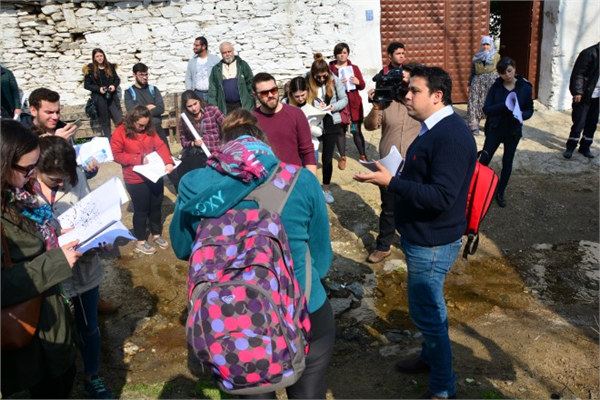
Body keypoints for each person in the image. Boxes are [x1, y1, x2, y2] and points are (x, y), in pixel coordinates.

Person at [170, 109, 334, 399]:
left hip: (234, 319)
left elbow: (183, 248)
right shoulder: (299, 179)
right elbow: (321, 260)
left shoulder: (193, 186)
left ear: (222, 144)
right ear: (263, 142)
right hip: (304, 310)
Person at [354, 66, 477, 400]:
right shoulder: (433, 127)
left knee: (429, 313)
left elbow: (441, 196)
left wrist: (391, 182)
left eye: (415, 91)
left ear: (437, 96)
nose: (406, 96)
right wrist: (395, 171)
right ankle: (428, 358)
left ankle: (441, 388)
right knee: (425, 308)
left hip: (433, 240)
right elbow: (427, 177)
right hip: (422, 236)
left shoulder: (450, 135)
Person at [1, 120, 81, 399]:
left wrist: (58, 235)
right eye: (27, 168)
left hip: (51, 311)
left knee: (63, 376)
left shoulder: (21, 194)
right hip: (28, 328)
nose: (33, 174)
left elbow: (36, 236)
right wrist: (56, 261)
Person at [34, 136, 112, 399]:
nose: (61, 182)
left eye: (65, 177)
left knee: (89, 326)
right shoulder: (25, 190)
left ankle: (92, 375)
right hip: (50, 275)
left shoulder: (75, 177)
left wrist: (102, 237)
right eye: (54, 179)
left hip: (84, 269)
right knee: (57, 331)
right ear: (37, 169)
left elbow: (90, 213)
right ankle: (58, 378)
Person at [363, 62, 422, 264]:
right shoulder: (386, 101)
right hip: (389, 167)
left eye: (406, 79)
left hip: (415, 167)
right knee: (389, 208)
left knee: (416, 206)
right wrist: (376, 105)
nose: (402, 83)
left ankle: (415, 245)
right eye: (400, 79)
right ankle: (384, 246)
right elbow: (370, 126)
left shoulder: (420, 103)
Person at [110, 105, 175, 255]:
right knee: (141, 209)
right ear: (132, 120)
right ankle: (141, 240)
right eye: (140, 125)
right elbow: (116, 154)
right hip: (135, 178)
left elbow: (159, 144)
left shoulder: (149, 130)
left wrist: (168, 161)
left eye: (145, 125)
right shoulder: (120, 132)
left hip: (154, 175)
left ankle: (156, 234)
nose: (142, 128)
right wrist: (137, 159)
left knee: (156, 205)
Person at [481, 57, 534, 208]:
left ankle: (500, 191)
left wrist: (522, 114)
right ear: (499, 74)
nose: (507, 75)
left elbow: (530, 109)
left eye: (509, 71)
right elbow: (486, 109)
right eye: (503, 73)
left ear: (514, 69)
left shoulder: (525, 87)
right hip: (495, 129)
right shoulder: (496, 87)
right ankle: (478, 188)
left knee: (507, 162)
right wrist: (504, 106)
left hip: (513, 131)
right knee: (484, 159)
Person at [252, 72, 317, 175]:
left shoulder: (296, 114)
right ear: (255, 95)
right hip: (264, 179)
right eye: (264, 93)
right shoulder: (251, 120)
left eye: (273, 90)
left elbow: (308, 151)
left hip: (292, 177)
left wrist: (312, 183)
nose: (270, 95)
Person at [306, 53, 348, 204]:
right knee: (311, 156)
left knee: (327, 158)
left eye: (324, 76)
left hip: (331, 120)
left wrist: (332, 106)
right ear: (313, 74)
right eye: (318, 77)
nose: (322, 80)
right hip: (313, 121)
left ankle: (325, 189)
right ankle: (311, 189)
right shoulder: (306, 79)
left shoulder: (335, 80)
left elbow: (344, 99)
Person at [329, 42, 367, 165]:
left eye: (344, 53)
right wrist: (336, 83)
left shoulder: (354, 68)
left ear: (348, 54)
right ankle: (343, 157)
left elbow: (362, 85)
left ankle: (362, 154)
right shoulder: (331, 69)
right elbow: (327, 87)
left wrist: (357, 82)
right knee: (340, 131)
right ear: (335, 55)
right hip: (339, 104)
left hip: (354, 105)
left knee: (356, 130)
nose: (342, 55)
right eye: (339, 53)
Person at [177, 89, 225, 181]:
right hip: (199, 157)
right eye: (189, 106)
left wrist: (224, 144)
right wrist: (193, 143)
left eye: (195, 104)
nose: (194, 108)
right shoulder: (184, 119)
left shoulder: (212, 111)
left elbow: (228, 125)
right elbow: (183, 141)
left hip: (216, 154)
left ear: (199, 100)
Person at [564, 42, 599, 159]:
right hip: (585, 94)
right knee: (579, 122)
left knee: (592, 122)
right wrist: (577, 91)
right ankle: (571, 146)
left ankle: (585, 147)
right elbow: (578, 73)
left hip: (598, 96)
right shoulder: (589, 53)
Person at [83, 48, 123, 139]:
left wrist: (113, 86)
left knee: (119, 119)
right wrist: (99, 89)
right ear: (94, 58)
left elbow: (117, 79)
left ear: (104, 56)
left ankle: (123, 138)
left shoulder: (109, 66)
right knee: (105, 122)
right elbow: (86, 85)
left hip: (111, 96)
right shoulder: (90, 69)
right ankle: (108, 141)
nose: (100, 58)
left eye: (101, 56)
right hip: (100, 98)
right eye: (97, 56)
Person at [208, 41, 255, 114]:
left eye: (229, 51)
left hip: (242, 104)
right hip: (225, 107)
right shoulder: (216, 69)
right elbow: (212, 88)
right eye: (224, 53)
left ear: (233, 51)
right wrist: (213, 105)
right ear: (221, 54)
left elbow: (250, 83)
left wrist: (251, 100)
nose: (227, 54)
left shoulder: (242, 65)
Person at [466, 36, 500, 136]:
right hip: (477, 84)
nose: (485, 47)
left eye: (488, 44)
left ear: (491, 45)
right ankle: (474, 126)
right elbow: (472, 72)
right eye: (484, 44)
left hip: (491, 84)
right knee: (474, 104)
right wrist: (469, 84)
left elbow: (500, 70)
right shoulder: (476, 57)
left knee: (490, 104)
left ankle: (489, 126)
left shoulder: (496, 57)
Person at [285, 76, 323, 163]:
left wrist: (309, 127)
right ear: (291, 94)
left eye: (303, 95)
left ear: (307, 91)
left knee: (309, 176)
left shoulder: (315, 103)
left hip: (311, 148)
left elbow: (320, 132)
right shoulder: (285, 103)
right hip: (292, 149)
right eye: (297, 96)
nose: (301, 99)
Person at [185, 36, 221, 102]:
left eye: (197, 45)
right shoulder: (192, 61)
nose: (194, 47)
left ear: (204, 46)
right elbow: (188, 78)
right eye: (194, 45)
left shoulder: (215, 60)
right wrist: (189, 92)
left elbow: (220, 77)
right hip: (196, 94)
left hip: (212, 94)